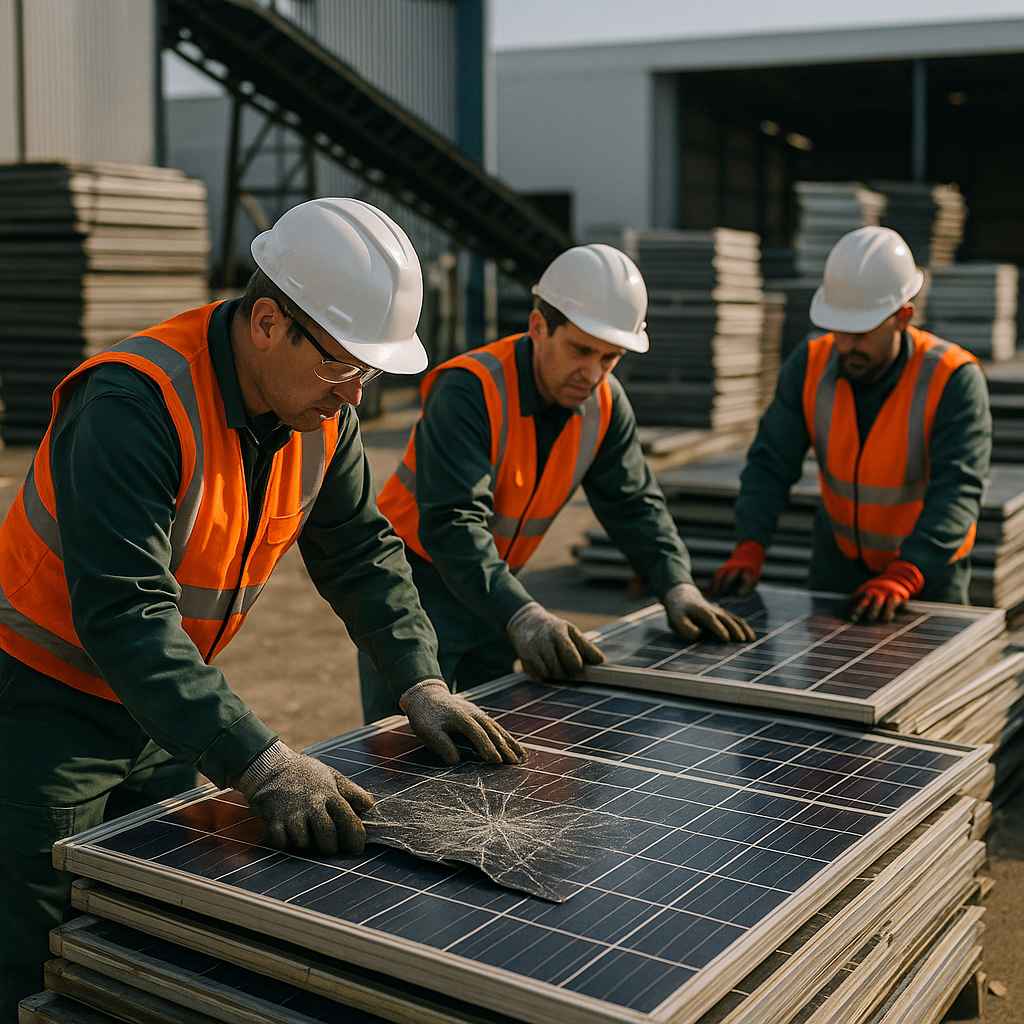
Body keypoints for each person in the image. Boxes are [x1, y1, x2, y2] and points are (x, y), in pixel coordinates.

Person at [0, 197, 524, 1021]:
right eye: (343, 366)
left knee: (143, 936)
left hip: (165, 710)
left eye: (368, 372)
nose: (355, 395)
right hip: (45, 712)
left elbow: (361, 551)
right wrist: (263, 763)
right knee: (36, 955)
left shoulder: (318, 411)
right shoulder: (134, 406)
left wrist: (421, 681)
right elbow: (126, 616)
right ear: (269, 321)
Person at [362, 242, 754, 722]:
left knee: (494, 751)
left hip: (494, 591)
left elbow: (635, 504)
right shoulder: (470, 390)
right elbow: (452, 523)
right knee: (402, 751)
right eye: (581, 349)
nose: (592, 373)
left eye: (610, 357)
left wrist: (676, 584)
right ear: (538, 326)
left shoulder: (605, 405)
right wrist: (522, 615)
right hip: (415, 593)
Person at [709, 226, 992, 622]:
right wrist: (750, 543)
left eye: (860, 333)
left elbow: (958, 488)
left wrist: (908, 572)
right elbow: (770, 463)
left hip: (928, 571)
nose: (846, 346)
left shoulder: (952, 379)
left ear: (902, 317)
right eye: (838, 328)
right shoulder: (809, 365)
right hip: (837, 564)